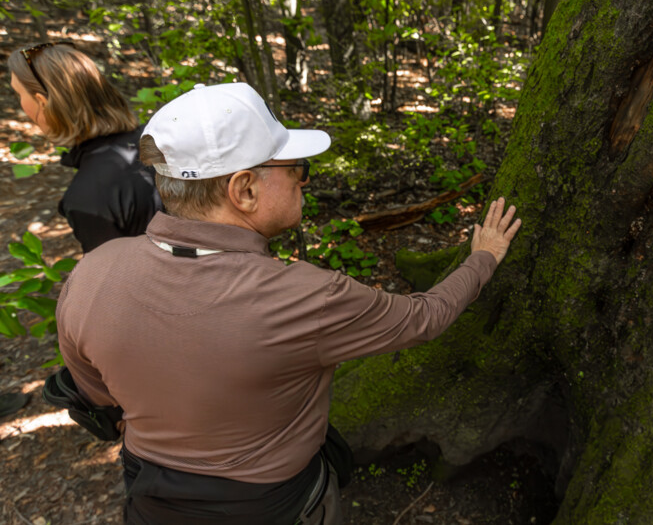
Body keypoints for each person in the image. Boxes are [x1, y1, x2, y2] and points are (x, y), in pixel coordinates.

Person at [55, 82, 521, 524]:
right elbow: (424, 318)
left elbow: (98, 394)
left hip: (150, 499)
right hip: (276, 506)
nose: (304, 181)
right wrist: (483, 257)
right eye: (295, 169)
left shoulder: (92, 272)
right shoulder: (306, 297)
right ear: (244, 190)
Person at [8, 42, 163, 253]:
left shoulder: (86, 199)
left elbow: (112, 279)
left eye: (19, 94)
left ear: (41, 102)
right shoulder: (160, 136)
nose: (20, 103)